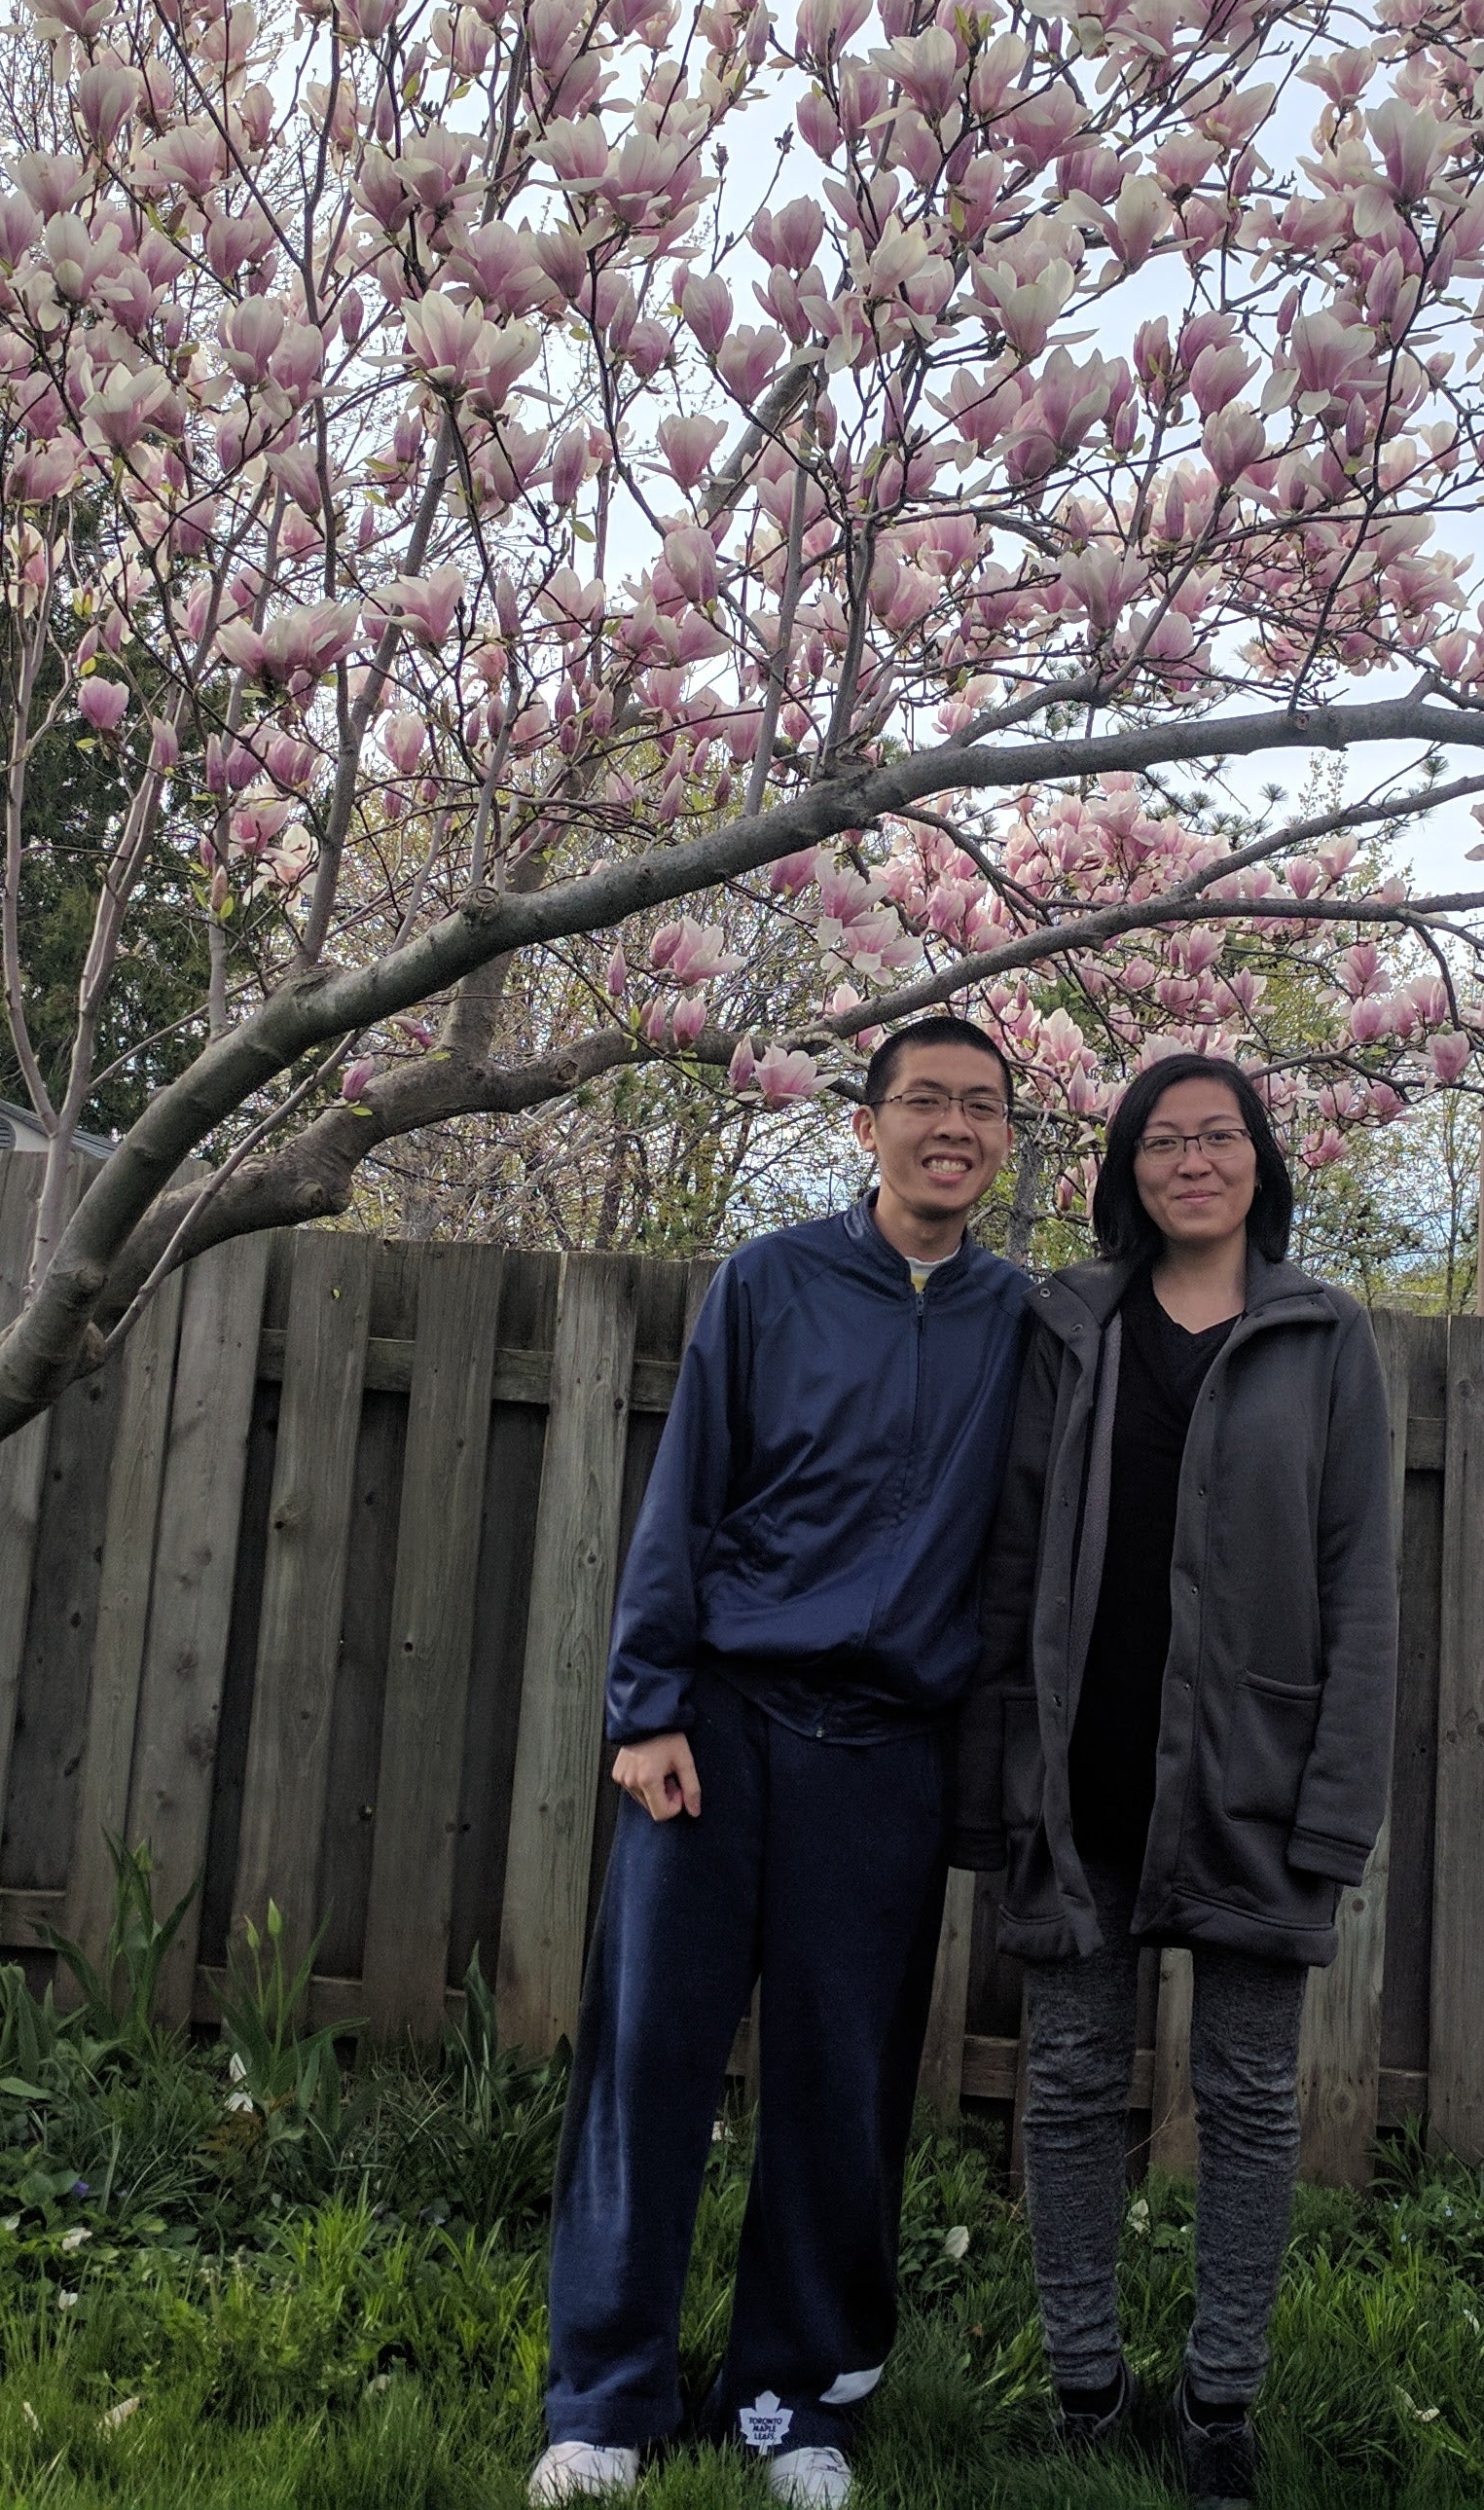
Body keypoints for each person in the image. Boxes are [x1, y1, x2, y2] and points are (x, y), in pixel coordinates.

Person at [530, 1020, 1032, 2510]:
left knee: (842, 2088)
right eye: (925, 1101)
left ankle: (789, 2401)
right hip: (720, 1733)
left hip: (885, 1756)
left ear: (1007, 1142)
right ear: (867, 1126)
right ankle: (606, 2402)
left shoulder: (1026, 1322)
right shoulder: (768, 1283)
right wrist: (645, 1709)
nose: (953, 1127)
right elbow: (683, 1498)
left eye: (983, 1107)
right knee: (647, 2064)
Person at [952, 1055, 1396, 2510]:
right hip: (1082, 1775)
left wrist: (1337, 1803)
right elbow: (1014, 1552)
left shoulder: (1323, 1337)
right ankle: (1086, 2386)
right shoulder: (1068, 1324)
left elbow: (1361, 1582)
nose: (1190, 1161)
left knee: (1250, 2096)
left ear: (1261, 1159)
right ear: (1126, 1169)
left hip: (1253, 1778)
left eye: (1217, 1136)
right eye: (1160, 1139)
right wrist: (1001, 1767)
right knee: (1072, 2085)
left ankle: (1221, 2404)